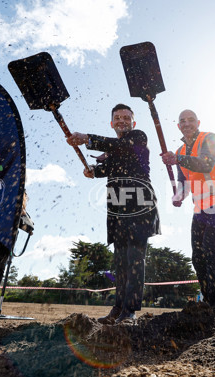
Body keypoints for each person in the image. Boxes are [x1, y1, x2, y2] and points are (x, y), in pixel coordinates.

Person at [66, 104, 160, 324]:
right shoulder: (113, 151)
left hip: (140, 206)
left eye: (126, 117)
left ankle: (130, 311)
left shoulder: (138, 137)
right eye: (117, 118)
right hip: (117, 209)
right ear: (112, 123)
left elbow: (122, 147)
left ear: (133, 122)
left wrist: (88, 138)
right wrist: (91, 171)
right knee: (120, 262)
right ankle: (117, 308)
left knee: (135, 258)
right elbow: (102, 170)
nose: (122, 121)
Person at [161, 109, 215, 308]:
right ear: (178, 126)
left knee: (211, 249)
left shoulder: (211, 138)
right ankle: (207, 301)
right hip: (200, 209)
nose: (187, 124)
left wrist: (177, 160)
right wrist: (178, 196)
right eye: (182, 121)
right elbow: (183, 182)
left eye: (191, 120)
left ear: (198, 122)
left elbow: (205, 165)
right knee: (197, 256)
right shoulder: (179, 152)